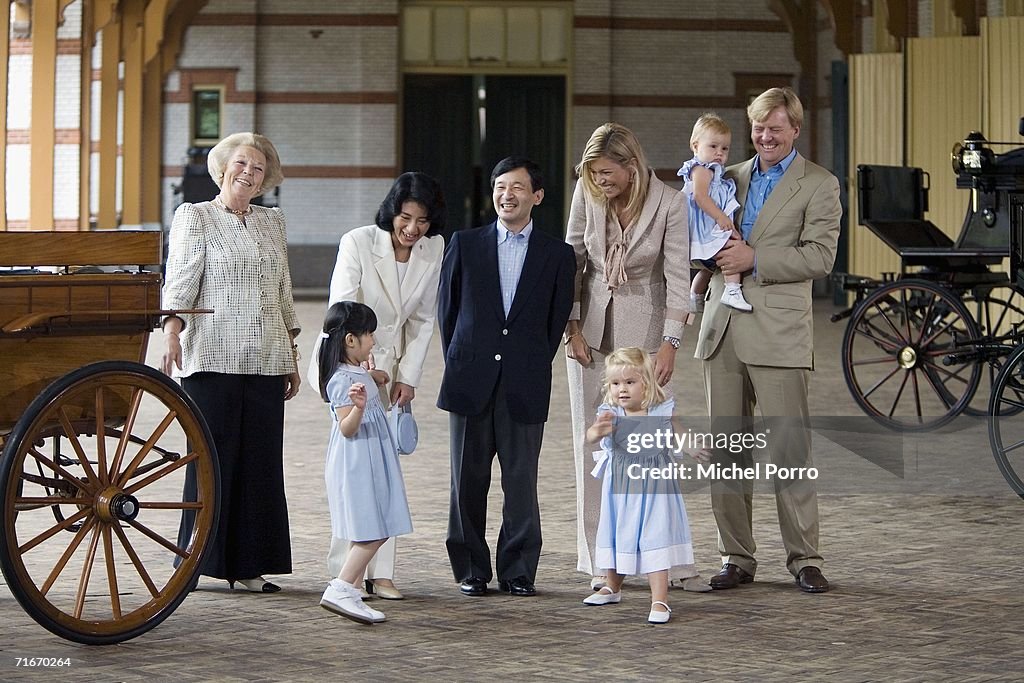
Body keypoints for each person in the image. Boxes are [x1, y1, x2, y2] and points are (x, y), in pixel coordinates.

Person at [695, 86, 841, 593]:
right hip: (723, 329)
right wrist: (706, 258)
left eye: (775, 128)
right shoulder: (724, 174)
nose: (765, 136)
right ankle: (736, 557)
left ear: (795, 130)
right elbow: (699, 234)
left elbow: (821, 258)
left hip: (780, 332)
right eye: (758, 128)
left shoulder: (820, 184)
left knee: (789, 449)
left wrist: (755, 259)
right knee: (727, 450)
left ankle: (805, 558)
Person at [563, 123, 708, 592]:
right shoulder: (587, 193)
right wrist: (572, 325)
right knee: (597, 448)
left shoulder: (670, 202)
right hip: (589, 333)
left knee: (651, 450)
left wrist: (670, 343)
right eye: (593, 173)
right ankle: (601, 561)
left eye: (607, 173)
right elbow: (573, 259)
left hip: (645, 331)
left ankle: (664, 562)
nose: (600, 181)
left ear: (631, 166)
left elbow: (677, 275)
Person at [161, 131, 300, 593]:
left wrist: (291, 356)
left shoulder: (272, 223)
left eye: (257, 168)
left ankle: (250, 565)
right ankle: (195, 560)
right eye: (241, 163)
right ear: (223, 169)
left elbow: (282, 292)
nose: (247, 172)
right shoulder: (195, 216)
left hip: (265, 359)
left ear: (264, 181)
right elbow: (181, 279)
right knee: (210, 461)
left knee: (260, 465)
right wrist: (172, 332)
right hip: (212, 357)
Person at [437, 156, 575, 598]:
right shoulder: (465, 243)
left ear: (536, 196)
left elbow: (555, 323)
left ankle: (518, 570)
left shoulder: (558, 255)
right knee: (467, 480)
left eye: (517, 187)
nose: (506, 194)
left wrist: (528, 361)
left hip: (524, 382)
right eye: (499, 186)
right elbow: (448, 312)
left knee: (521, 483)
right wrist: (466, 360)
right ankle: (471, 569)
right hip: (470, 379)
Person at [319, 171, 446, 600]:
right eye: (405, 217)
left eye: (423, 221)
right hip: (353, 363)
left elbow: (425, 319)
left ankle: (383, 573)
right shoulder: (358, 241)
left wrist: (408, 378)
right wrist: (354, 367)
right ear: (392, 211)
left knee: (385, 472)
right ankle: (345, 572)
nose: (412, 229)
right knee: (355, 471)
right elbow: (341, 307)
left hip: (391, 373)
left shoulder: (435, 250)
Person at [582, 348, 707, 624]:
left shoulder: (662, 411)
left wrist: (692, 447)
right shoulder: (610, 414)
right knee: (619, 532)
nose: (622, 390)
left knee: (654, 535)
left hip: (654, 489)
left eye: (630, 382)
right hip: (621, 490)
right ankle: (612, 586)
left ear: (646, 384)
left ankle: (659, 599)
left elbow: (679, 433)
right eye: (616, 384)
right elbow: (591, 435)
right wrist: (598, 431)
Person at [317, 301, 413, 625]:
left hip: (372, 456)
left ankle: (351, 589)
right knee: (373, 528)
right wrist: (358, 407)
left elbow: (366, 381)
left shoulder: (355, 373)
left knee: (377, 523)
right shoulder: (342, 381)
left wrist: (374, 376)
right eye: (368, 334)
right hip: (359, 461)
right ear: (350, 340)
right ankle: (342, 586)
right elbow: (346, 427)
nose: (373, 340)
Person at [678, 113, 750, 313]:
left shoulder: (714, 171)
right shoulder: (701, 169)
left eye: (724, 148)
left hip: (708, 223)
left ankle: (695, 296)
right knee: (732, 249)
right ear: (695, 146)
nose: (719, 152)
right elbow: (701, 197)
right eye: (713, 146)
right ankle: (732, 290)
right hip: (705, 225)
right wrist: (720, 217)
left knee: (709, 266)